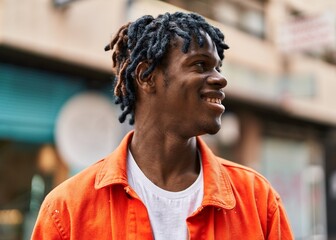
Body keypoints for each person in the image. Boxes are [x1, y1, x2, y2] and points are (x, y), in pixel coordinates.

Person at [31, 12, 294, 239]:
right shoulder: (67, 209)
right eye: (200, 65)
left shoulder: (258, 200)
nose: (219, 79)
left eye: (218, 68)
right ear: (146, 76)